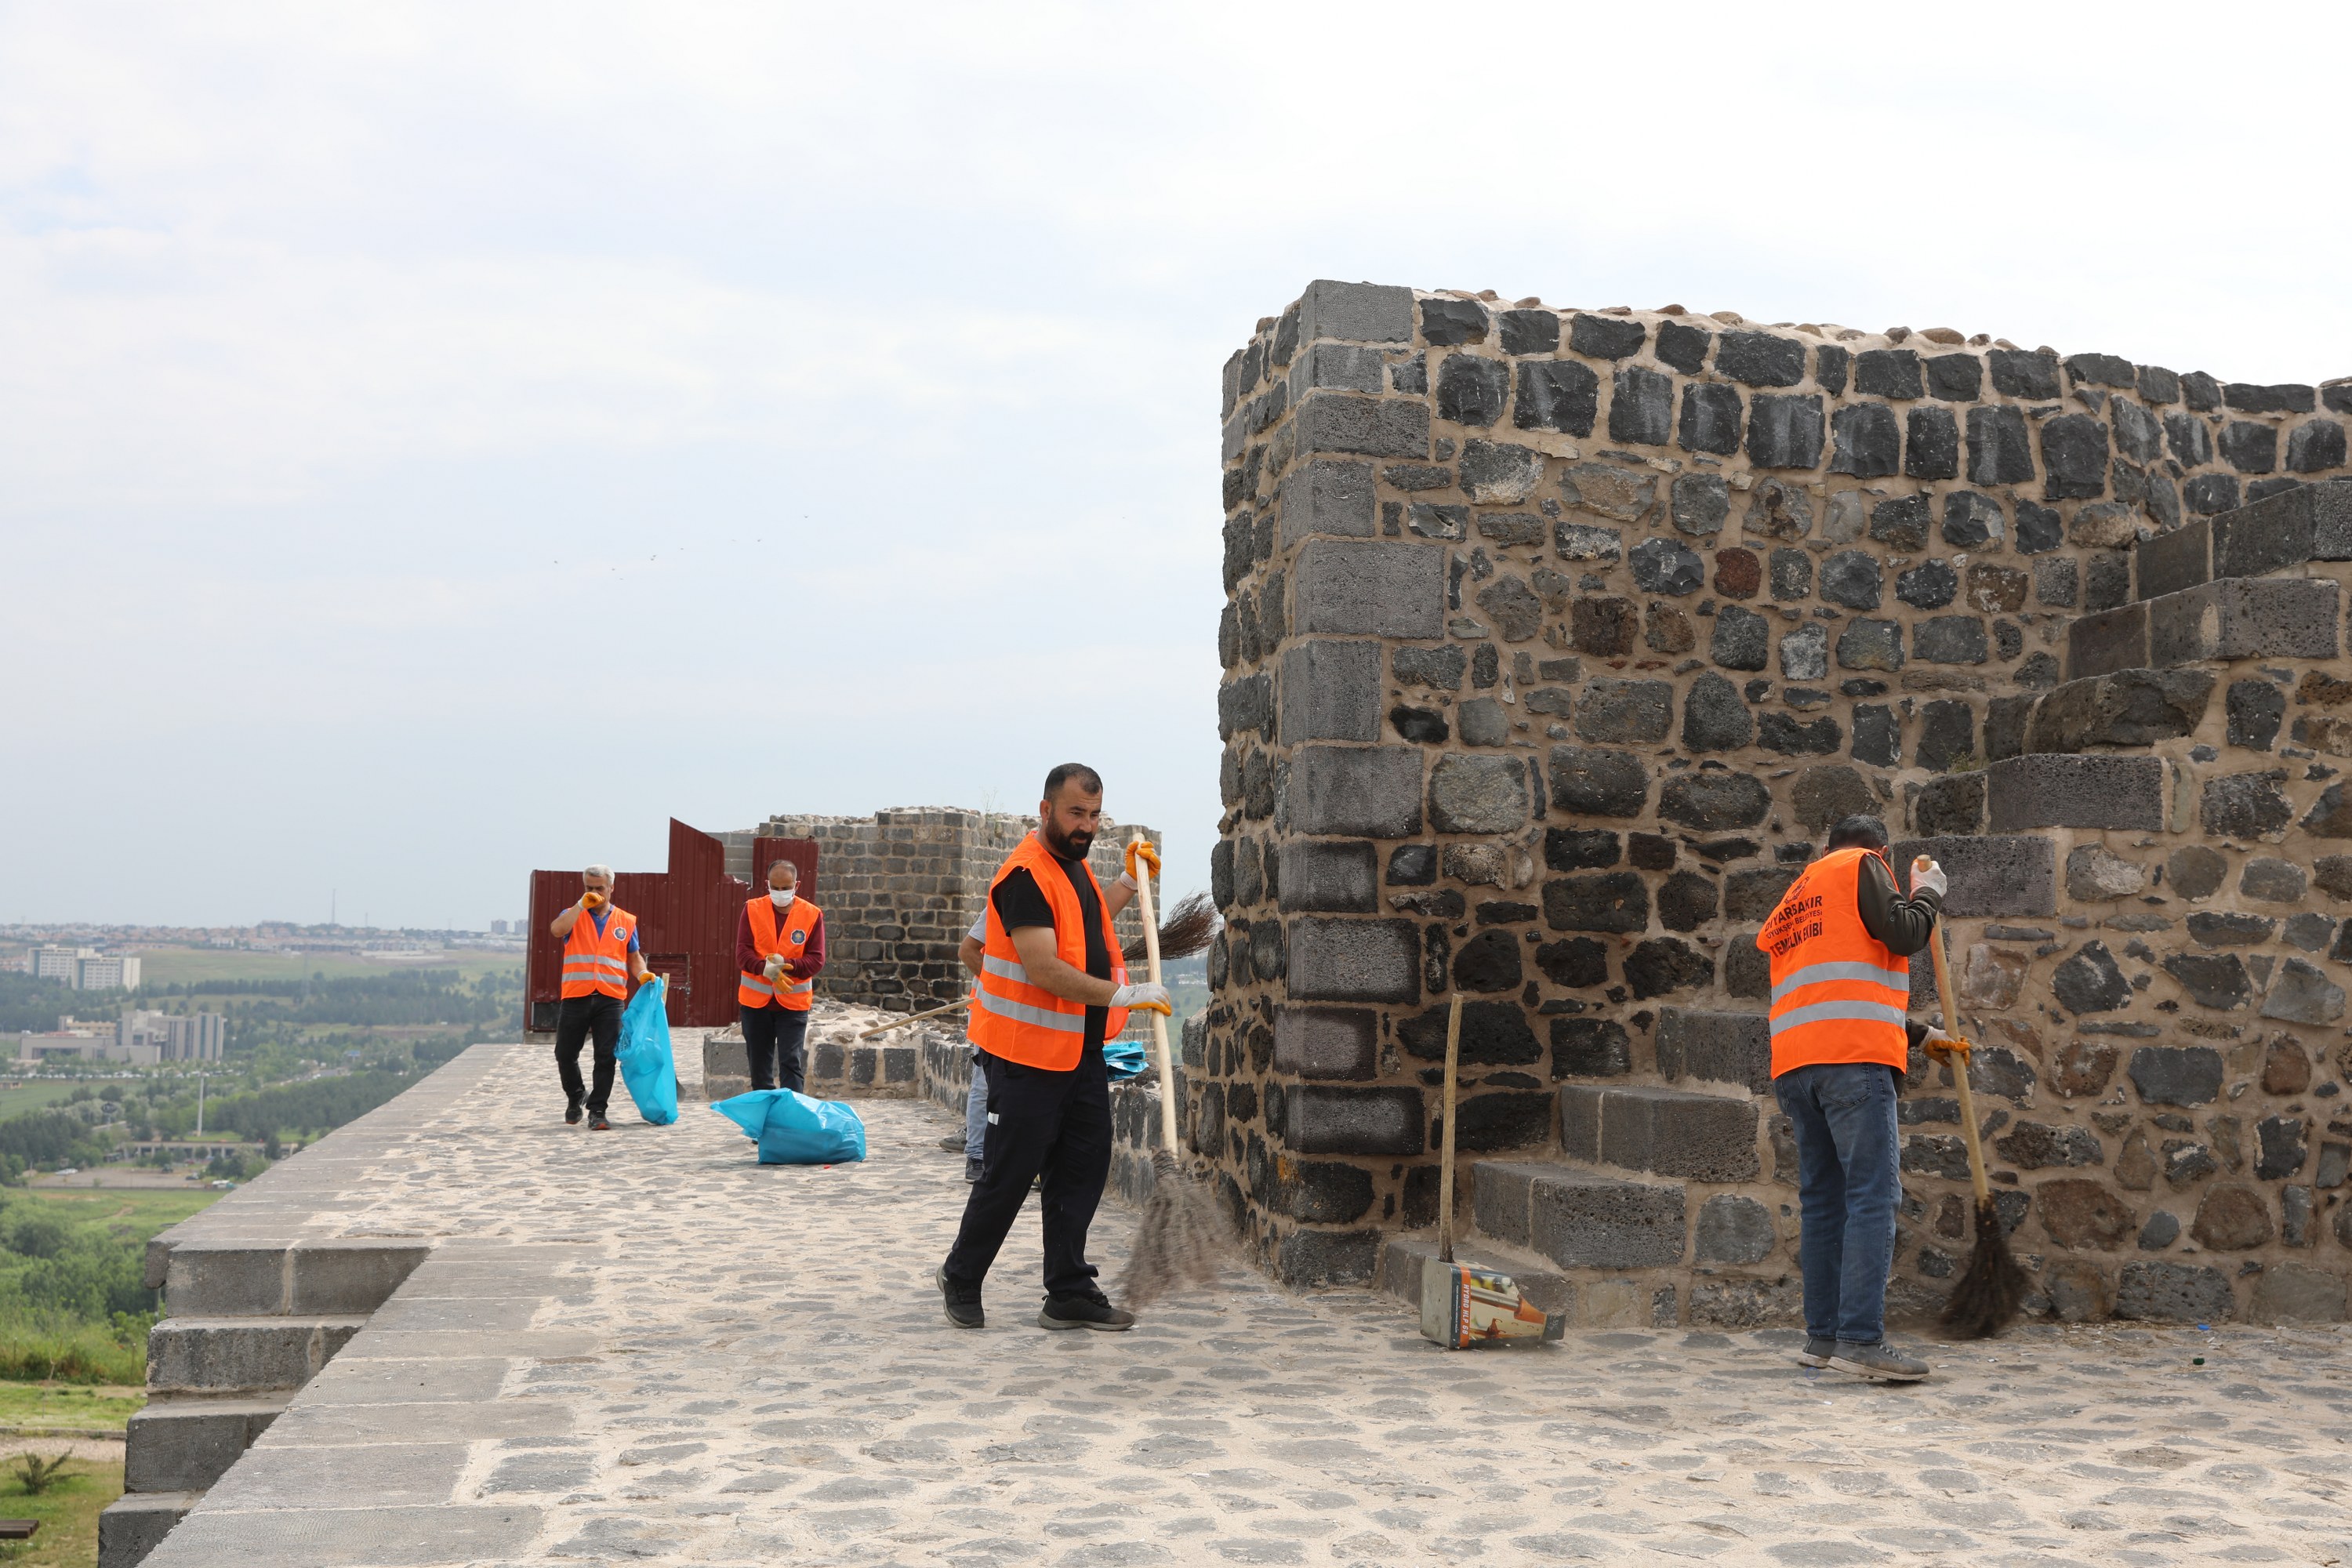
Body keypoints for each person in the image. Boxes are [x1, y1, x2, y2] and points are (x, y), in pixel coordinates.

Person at [935, 764, 1169, 1332]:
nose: (1086, 825)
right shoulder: (1025, 875)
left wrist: (1125, 883)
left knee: (1082, 1171)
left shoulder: (1073, 870)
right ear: (1046, 811)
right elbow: (1043, 967)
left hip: (1078, 1053)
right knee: (1010, 1174)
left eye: (1094, 815)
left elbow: (1084, 928)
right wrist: (1127, 994)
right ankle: (962, 1275)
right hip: (1024, 1058)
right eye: (1075, 813)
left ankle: (1068, 1290)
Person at [1759, 815, 1951, 1382]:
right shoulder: (1862, 866)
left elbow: (1836, 980)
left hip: (1797, 1065)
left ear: (1823, 846)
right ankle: (1861, 1341)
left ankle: (1822, 1339)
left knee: (1823, 1201)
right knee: (1873, 1196)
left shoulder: (1799, 895)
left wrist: (1916, 1034)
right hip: (1852, 1060)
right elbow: (1905, 934)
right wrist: (1929, 894)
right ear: (1882, 852)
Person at [548, 864, 655, 1131]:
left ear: (611, 888)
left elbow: (633, 957)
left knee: (605, 1057)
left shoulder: (626, 921)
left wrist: (642, 974)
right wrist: (580, 905)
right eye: (588, 888)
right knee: (564, 1053)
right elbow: (557, 930)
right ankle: (575, 1095)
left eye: (599, 888)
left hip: (610, 997)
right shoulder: (573, 914)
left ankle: (598, 1110)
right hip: (577, 994)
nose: (594, 893)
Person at [736, 858, 824, 1091]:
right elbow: (742, 953)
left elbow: (816, 960)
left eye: (786, 888)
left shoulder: (812, 915)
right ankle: (767, 1118)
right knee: (759, 1067)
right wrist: (764, 968)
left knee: (791, 1063)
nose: (780, 892)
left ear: (797, 885)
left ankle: (791, 1117)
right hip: (756, 1005)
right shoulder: (752, 909)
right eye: (775, 888)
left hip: (793, 1005)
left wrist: (787, 965)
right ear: (767, 884)